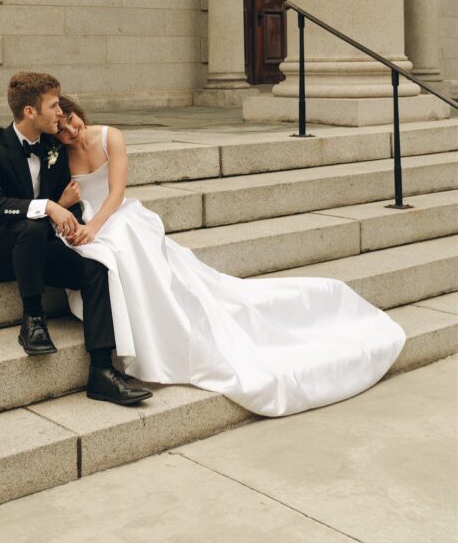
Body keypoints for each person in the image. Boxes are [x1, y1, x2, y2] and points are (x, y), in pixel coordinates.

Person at [55, 95, 407, 418]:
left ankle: (167, 322)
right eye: (64, 130)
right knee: (103, 256)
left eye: (72, 120)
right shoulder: (59, 154)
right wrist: (69, 210)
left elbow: (116, 192)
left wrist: (94, 227)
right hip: (92, 223)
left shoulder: (109, 136)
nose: (72, 130)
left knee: (126, 237)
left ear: (77, 112)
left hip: (119, 217)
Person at [0, 71, 152, 406]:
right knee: (33, 225)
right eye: (53, 106)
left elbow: (74, 201)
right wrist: (49, 206)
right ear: (30, 112)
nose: (60, 113)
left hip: (40, 248)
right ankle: (33, 320)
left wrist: (75, 220)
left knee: (96, 268)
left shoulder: (54, 148)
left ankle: (101, 372)